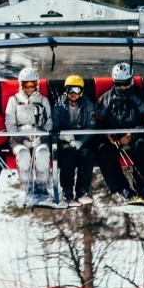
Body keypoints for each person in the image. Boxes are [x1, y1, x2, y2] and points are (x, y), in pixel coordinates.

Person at [96, 62, 144, 202]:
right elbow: (98, 121)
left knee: (142, 146)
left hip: (135, 137)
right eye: (118, 83)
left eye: (126, 83)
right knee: (103, 151)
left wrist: (132, 134)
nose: (122, 87)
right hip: (114, 140)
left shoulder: (140, 97)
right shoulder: (106, 100)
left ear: (131, 80)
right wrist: (108, 134)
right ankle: (122, 188)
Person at [5, 67, 54, 199]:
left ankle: (42, 185)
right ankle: (26, 186)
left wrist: (42, 136)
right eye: (26, 84)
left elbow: (49, 121)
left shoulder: (43, 100)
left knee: (42, 153)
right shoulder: (14, 100)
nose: (30, 88)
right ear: (21, 84)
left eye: (33, 84)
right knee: (23, 154)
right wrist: (21, 138)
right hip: (19, 139)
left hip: (39, 138)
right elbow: (10, 124)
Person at [52, 75, 97, 206]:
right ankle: (67, 193)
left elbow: (91, 126)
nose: (72, 93)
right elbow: (55, 127)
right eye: (70, 90)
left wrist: (81, 142)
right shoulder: (59, 107)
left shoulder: (88, 106)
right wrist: (65, 136)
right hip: (65, 141)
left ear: (81, 91)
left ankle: (82, 191)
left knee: (87, 155)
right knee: (67, 154)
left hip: (81, 140)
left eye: (76, 90)